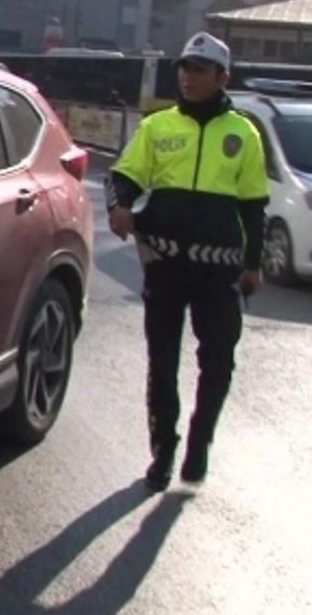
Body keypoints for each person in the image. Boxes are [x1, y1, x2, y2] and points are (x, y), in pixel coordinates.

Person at [106, 32, 269, 491]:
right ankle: (163, 449)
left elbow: (254, 207)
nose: (188, 76)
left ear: (222, 77)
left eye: (199, 70)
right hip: (165, 265)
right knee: (162, 363)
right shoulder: (158, 127)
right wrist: (118, 207)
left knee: (218, 363)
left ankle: (199, 442)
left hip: (218, 272)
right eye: (185, 68)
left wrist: (253, 265)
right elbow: (123, 177)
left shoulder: (243, 133)